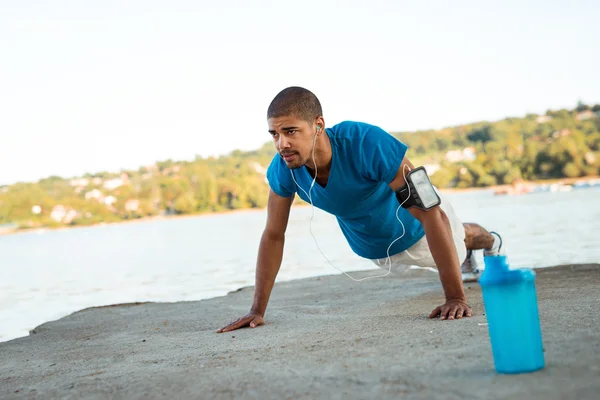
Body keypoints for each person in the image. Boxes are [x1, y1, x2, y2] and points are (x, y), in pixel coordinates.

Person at [217, 87, 504, 333]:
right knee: (457, 237)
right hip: (376, 250)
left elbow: (431, 212)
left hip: (420, 230)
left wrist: (455, 297)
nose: (282, 143)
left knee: (461, 235)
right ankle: (465, 249)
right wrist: (257, 310)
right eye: (275, 134)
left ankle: (491, 242)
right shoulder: (283, 169)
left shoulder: (366, 142)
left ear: (318, 125)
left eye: (291, 131)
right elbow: (273, 235)